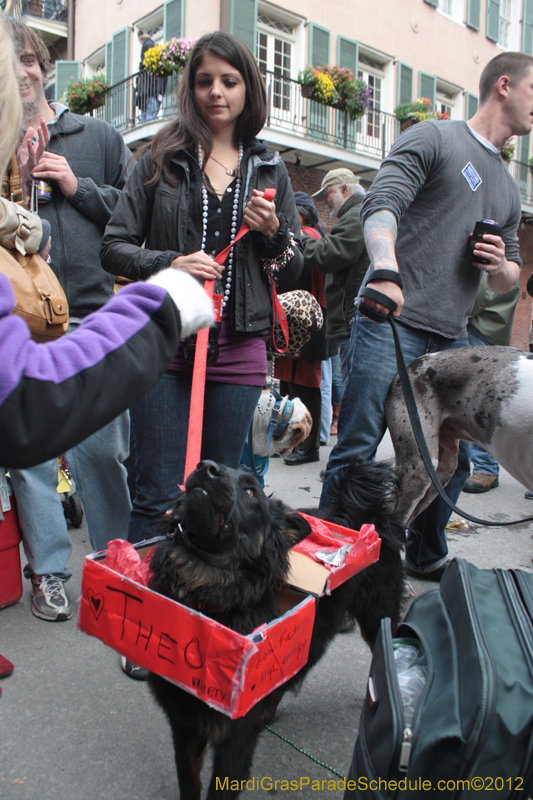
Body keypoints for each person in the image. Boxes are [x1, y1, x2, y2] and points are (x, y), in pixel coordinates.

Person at [320, 50, 531, 581]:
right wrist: (386, 268)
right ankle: (328, 568)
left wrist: (500, 264)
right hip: (390, 324)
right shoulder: (435, 138)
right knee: (357, 448)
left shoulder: (508, 186)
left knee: (451, 461)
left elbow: (511, 279)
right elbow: (382, 204)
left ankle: (423, 553)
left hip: (454, 339)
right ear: (504, 85)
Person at [101, 31, 303, 546]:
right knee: (157, 492)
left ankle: (207, 612)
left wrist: (273, 232)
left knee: (222, 497)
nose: (216, 92)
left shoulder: (271, 167)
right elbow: (114, 246)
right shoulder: (158, 158)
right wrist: (170, 262)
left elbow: (295, 265)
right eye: (204, 80)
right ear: (190, 88)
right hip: (165, 344)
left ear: (247, 89)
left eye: (229, 81)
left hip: (238, 352)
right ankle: (147, 612)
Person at [5, 17, 134, 621]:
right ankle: (51, 572)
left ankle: (116, 567)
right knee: (29, 457)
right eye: (13, 61)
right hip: (17, 323)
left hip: (86, 312)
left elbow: (137, 214)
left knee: (100, 451)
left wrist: (77, 184)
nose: (23, 70)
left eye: (30, 60)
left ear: (45, 68)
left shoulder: (97, 135)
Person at [303, 168, 370, 395]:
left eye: (328, 193)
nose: (324, 200)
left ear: (344, 189)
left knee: (352, 391)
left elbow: (329, 255)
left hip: (353, 320)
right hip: (354, 319)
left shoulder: (355, 216)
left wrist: (300, 240)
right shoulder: (359, 214)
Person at [277, 191, 328, 466]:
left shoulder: (309, 236)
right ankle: (291, 441)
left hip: (306, 320)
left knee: (305, 385)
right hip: (297, 318)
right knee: (290, 385)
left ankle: (307, 446)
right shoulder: (305, 236)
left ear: (302, 213)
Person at [462, 273, 520, 493]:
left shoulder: (493, 240)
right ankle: (478, 466)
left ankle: (486, 468)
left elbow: (483, 289)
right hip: (480, 324)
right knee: (469, 401)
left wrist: (456, 309)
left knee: (475, 403)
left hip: (480, 324)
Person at [136, 30, 164, 124]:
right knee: (149, 115)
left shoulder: (148, 44)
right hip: (150, 91)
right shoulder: (150, 44)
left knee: (147, 117)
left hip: (148, 91)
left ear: (141, 38)